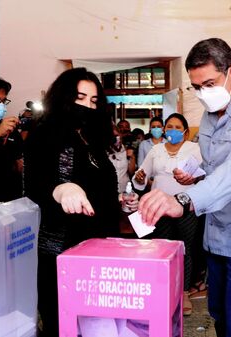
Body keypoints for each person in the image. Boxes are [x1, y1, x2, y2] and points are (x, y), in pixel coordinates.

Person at [138, 38, 231, 337]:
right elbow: (216, 165)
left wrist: (184, 198)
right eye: (196, 87)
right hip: (216, 232)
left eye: (210, 83)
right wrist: (197, 176)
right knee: (219, 315)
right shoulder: (209, 114)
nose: (204, 93)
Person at [23, 67, 137, 337]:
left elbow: (97, 189)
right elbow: (35, 186)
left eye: (93, 101)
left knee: (97, 322)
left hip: (97, 249)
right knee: (62, 324)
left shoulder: (92, 138)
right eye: (80, 97)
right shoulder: (45, 133)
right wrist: (61, 189)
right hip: (60, 250)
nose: (87, 105)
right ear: (63, 98)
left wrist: (121, 202)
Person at [132, 113, 202, 316]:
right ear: (163, 130)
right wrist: (139, 177)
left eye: (177, 127)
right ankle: (162, 288)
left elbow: (204, 176)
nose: (172, 130)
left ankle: (184, 292)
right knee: (161, 247)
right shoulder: (156, 150)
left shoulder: (194, 149)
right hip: (159, 205)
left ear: (185, 132)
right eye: (169, 126)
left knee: (184, 248)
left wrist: (195, 180)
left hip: (185, 205)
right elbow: (141, 177)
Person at [108, 125, 136, 193]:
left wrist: (132, 157)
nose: (116, 138)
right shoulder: (104, 152)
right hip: (110, 190)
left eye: (117, 135)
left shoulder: (126, 150)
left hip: (125, 190)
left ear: (120, 135)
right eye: (113, 136)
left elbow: (131, 172)